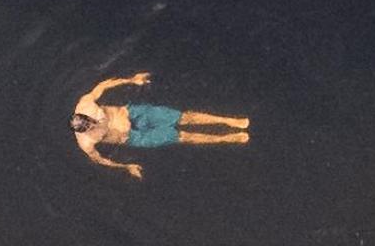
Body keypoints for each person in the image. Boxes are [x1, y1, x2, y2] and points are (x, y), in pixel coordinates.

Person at [71, 72, 249, 178]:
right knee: (182, 137)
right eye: (90, 127)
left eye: (92, 121)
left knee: (184, 118)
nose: (94, 125)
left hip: (132, 113)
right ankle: (228, 137)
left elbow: (102, 85)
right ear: (85, 130)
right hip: (133, 137)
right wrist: (126, 167)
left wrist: (132, 80)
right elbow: (98, 159)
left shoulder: (86, 104)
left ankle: (227, 121)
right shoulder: (86, 142)